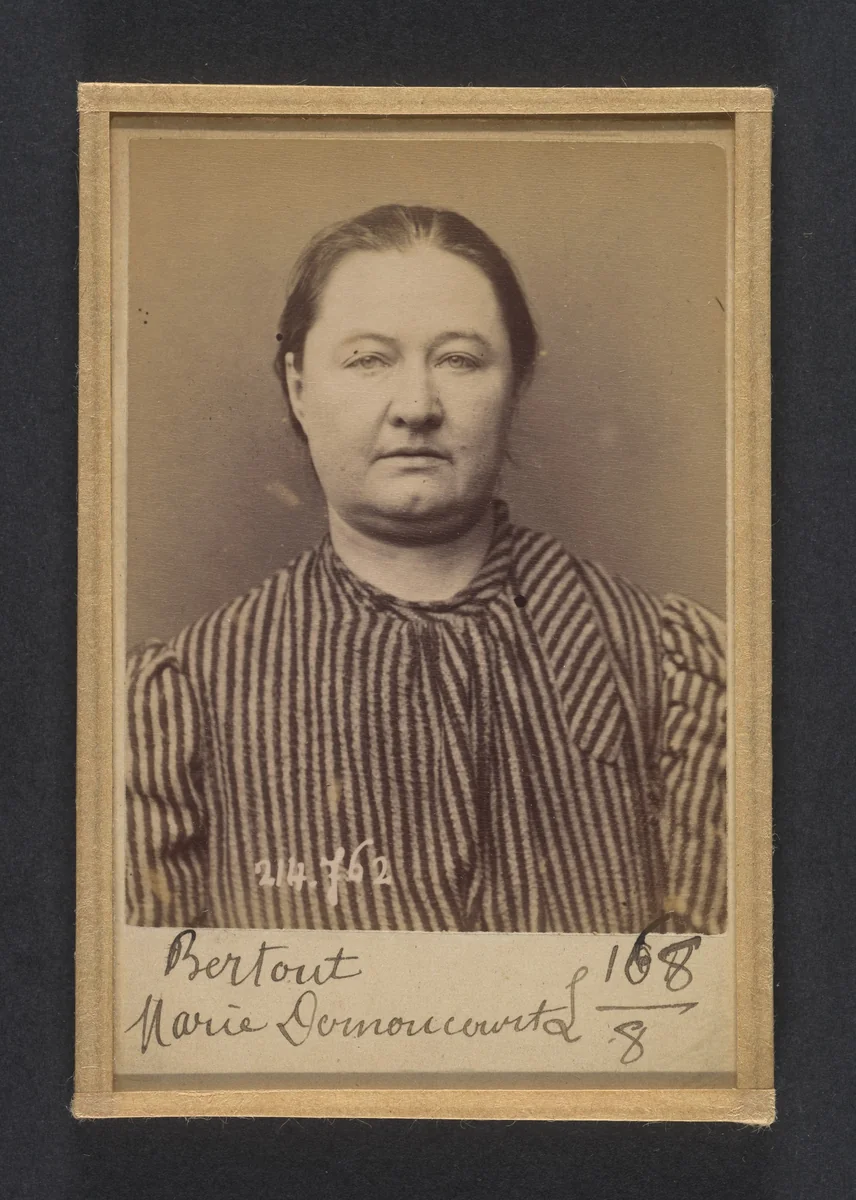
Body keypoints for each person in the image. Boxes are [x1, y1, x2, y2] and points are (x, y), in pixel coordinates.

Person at [126, 204, 726, 935]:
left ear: (516, 384)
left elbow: (707, 1014)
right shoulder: (183, 698)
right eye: (368, 359)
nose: (416, 406)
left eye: (460, 360)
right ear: (298, 386)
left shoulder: (675, 669)